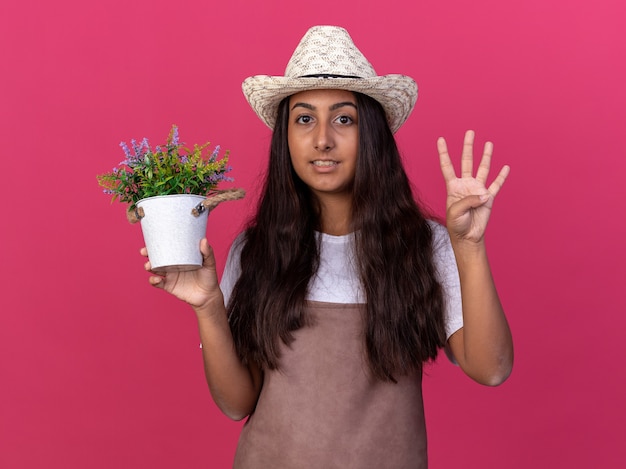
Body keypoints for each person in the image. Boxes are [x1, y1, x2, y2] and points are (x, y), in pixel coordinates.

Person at [141, 25, 513, 468]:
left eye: (343, 118)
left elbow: (491, 368)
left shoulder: (425, 245)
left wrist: (468, 247)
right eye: (304, 119)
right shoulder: (255, 249)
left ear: (371, 134)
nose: (322, 139)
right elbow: (237, 402)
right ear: (286, 138)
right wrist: (208, 307)